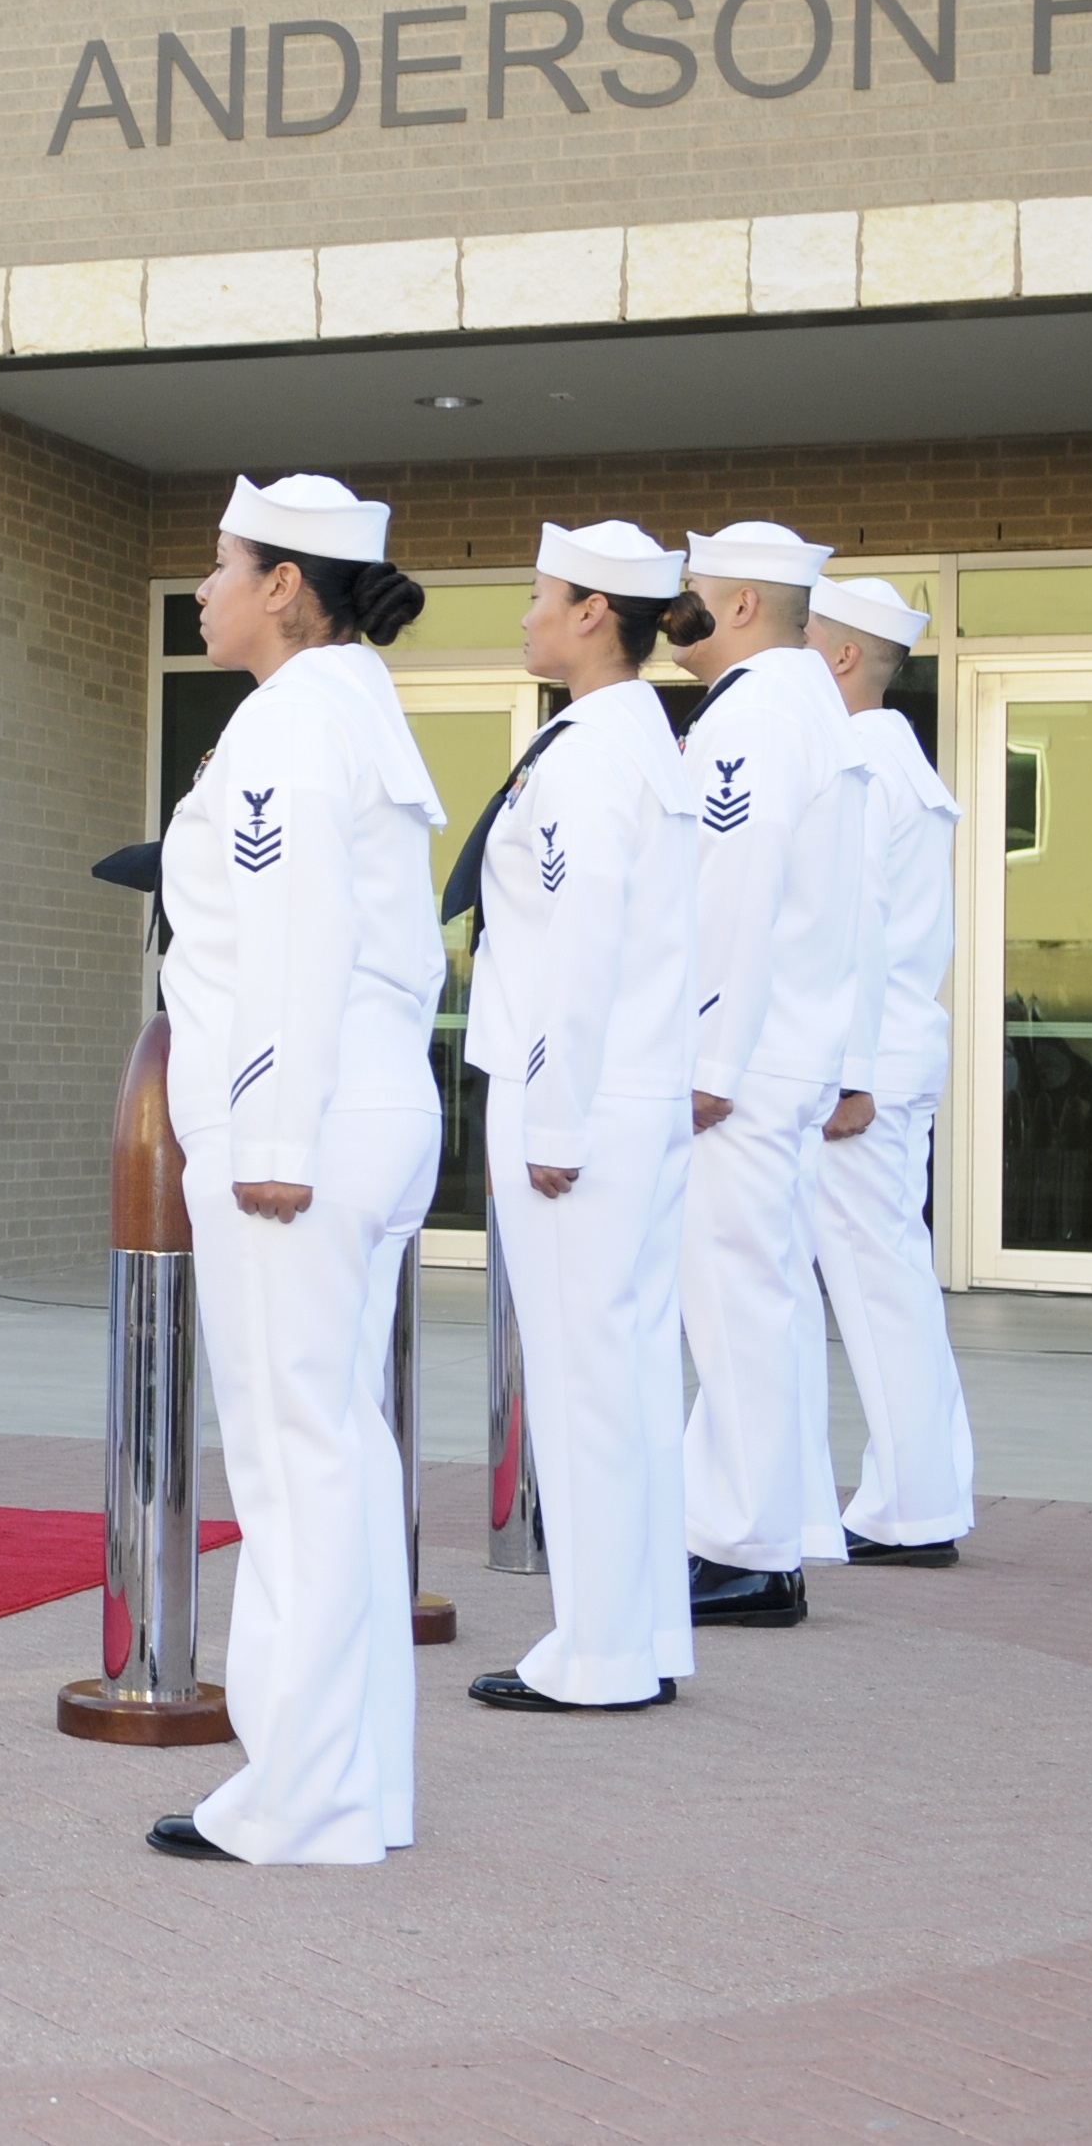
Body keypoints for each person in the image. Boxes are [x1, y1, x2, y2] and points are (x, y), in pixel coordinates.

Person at [144, 474, 440, 1867]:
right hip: (364, 1108)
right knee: (339, 1450)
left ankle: (296, 1798)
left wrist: (263, 1140)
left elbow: (288, 933)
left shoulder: (282, 722)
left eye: (219, 564)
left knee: (290, 1461)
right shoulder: (353, 708)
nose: (200, 589)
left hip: (299, 1129)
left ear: (283, 585)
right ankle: (353, 1781)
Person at [451, 523, 704, 1714]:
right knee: (630, 1371)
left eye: (539, 596)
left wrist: (549, 1116)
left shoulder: (591, 756)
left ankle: (600, 1650)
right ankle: (639, 1631)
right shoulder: (629, 744)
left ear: (596, 612)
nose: (524, 616)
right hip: (630, 1086)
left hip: (580, 1095)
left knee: (581, 1373)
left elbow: (576, 942)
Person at [670, 519, 866, 1629]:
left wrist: (703, 1058)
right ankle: (769, 1530)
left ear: (740, 604)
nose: (680, 606)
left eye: (694, 588)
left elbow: (730, 893)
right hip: (776, 1048)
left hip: (737, 1058)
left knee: (734, 1300)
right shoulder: (800, 708)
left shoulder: (752, 715)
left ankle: (741, 1549)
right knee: (762, 1298)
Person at [802, 576, 976, 1568]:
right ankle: (918, 1491)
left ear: (836, 659)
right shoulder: (898, 757)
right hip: (892, 1051)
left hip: (861, 1063)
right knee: (891, 1281)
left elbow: (854, 926)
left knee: (875, 1288)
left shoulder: (861, 762)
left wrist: (848, 1072)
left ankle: (911, 1508)